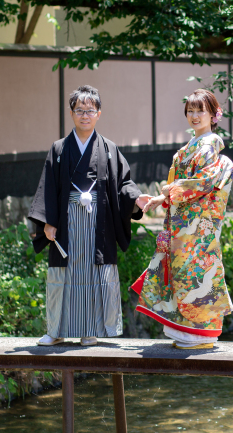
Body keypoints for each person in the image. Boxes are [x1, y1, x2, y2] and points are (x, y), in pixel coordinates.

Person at [28, 85, 150, 346]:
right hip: (66, 222)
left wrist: (136, 198)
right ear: (71, 113)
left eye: (90, 110)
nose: (85, 115)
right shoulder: (59, 149)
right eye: (80, 110)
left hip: (98, 222)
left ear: (99, 114)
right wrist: (48, 221)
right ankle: (56, 330)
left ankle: (90, 330)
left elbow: (123, 184)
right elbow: (48, 187)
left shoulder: (109, 149)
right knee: (63, 276)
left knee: (94, 275)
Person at [131, 89, 233, 349]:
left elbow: (204, 182)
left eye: (201, 111)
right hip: (181, 222)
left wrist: (170, 191)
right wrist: (161, 198)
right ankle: (186, 332)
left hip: (198, 227)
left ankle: (200, 334)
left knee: (196, 274)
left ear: (213, 115)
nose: (195, 116)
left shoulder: (209, 145)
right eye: (190, 111)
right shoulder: (189, 147)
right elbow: (178, 186)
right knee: (180, 272)